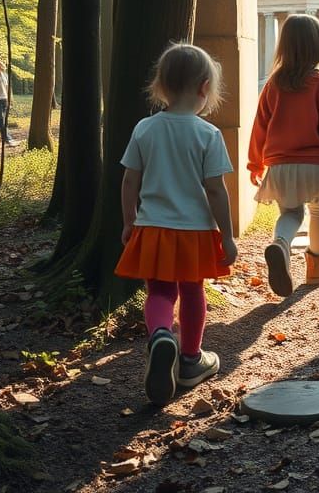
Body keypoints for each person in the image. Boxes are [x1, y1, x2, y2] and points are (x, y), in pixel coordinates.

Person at [116, 43, 238, 407]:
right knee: (192, 290)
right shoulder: (207, 135)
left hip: (152, 226)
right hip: (195, 231)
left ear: (162, 86)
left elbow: (128, 182)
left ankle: (160, 337)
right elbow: (215, 191)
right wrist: (227, 236)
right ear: (204, 87)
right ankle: (190, 360)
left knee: (159, 292)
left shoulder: (145, 128)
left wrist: (128, 222)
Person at [248, 14, 319, 297]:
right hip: (316, 165)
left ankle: (281, 243)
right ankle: (317, 264)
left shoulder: (273, 84)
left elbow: (260, 127)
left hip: (280, 165)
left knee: (291, 213)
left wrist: (255, 162)